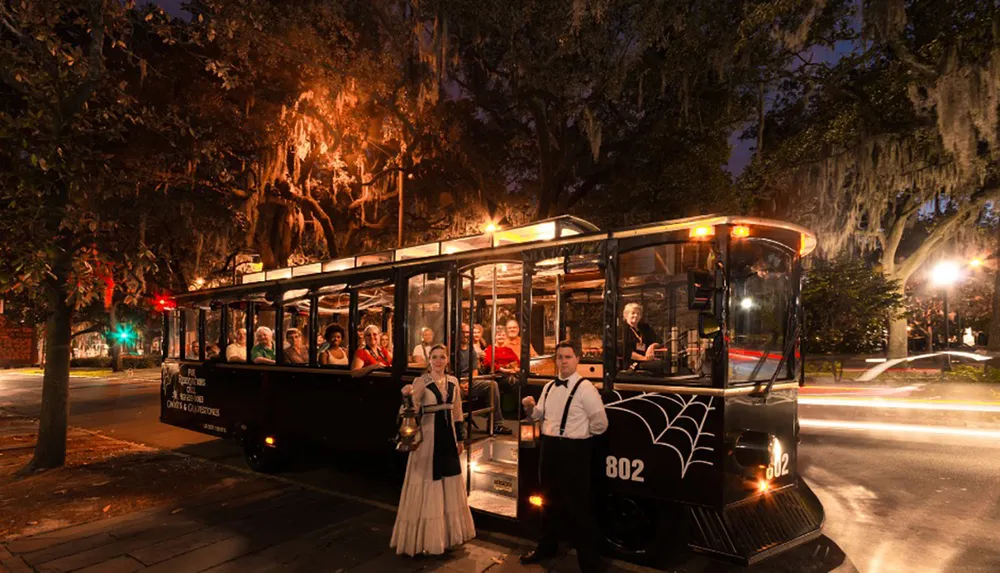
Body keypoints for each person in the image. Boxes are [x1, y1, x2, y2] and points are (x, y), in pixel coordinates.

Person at [520, 340, 608, 572]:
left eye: (568, 357)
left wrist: (580, 437)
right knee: (547, 502)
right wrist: (530, 407)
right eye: (560, 357)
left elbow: (601, 424)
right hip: (549, 449)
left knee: (579, 508)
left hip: (574, 451)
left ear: (577, 359)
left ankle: (590, 563)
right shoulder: (549, 387)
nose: (563, 361)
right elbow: (538, 414)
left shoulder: (586, 388)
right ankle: (545, 548)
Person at [391, 344, 476, 556]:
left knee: (449, 481)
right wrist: (407, 397)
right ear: (429, 360)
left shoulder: (453, 382)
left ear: (447, 360)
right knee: (430, 480)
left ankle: (447, 536)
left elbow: (457, 412)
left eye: (442, 357)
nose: (438, 361)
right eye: (434, 357)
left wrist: (461, 438)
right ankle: (426, 539)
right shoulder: (421, 382)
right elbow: (410, 410)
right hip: (428, 440)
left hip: (449, 438)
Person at [456, 324, 511, 435]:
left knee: (492, 385)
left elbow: (475, 370)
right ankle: (458, 425)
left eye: (467, 332)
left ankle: (496, 424)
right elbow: (449, 371)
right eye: (463, 332)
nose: (465, 335)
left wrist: (469, 383)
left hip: (469, 381)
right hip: (456, 382)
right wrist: (461, 384)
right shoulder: (453, 350)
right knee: (455, 391)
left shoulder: (471, 349)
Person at [622, 302, 661, 369]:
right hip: (632, 363)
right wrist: (645, 358)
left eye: (638, 314)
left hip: (647, 360)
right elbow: (625, 351)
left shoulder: (645, 327)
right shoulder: (622, 330)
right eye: (633, 313)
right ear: (626, 315)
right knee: (660, 365)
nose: (636, 315)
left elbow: (659, 341)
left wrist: (651, 346)